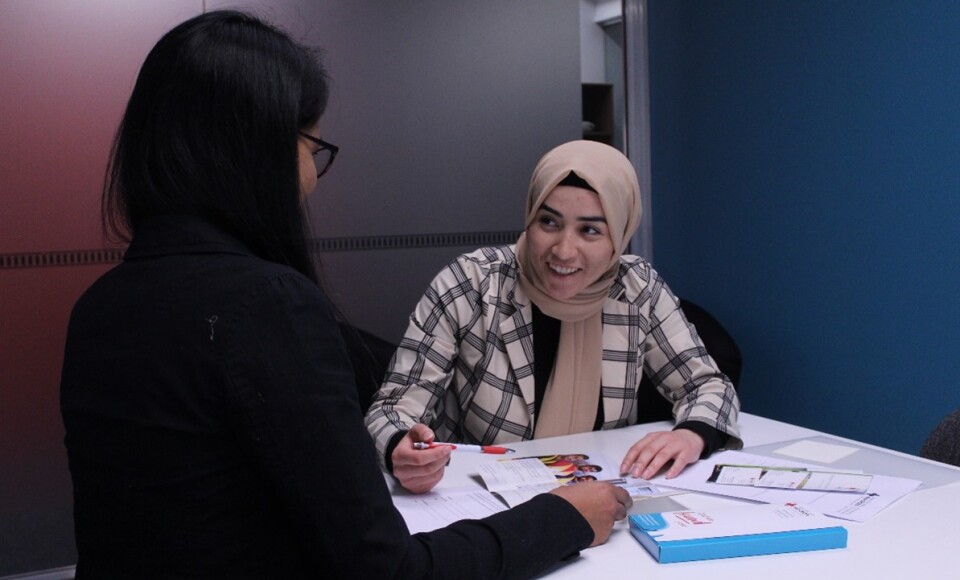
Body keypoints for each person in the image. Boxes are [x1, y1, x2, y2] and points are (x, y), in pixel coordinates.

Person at [59, 11, 631, 579]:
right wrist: (561, 519)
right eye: (310, 146)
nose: (565, 251)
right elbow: (384, 563)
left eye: (592, 229)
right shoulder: (278, 304)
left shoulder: (99, 305)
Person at [365, 140, 743, 495]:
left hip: (601, 495)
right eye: (549, 222)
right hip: (481, 498)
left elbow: (707, 385)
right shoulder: (472, 283)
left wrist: (693, 434)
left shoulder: (637, 288)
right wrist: (400, 446)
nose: (564, 250)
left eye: (590, 230)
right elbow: (392, 407)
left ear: (620, 235)